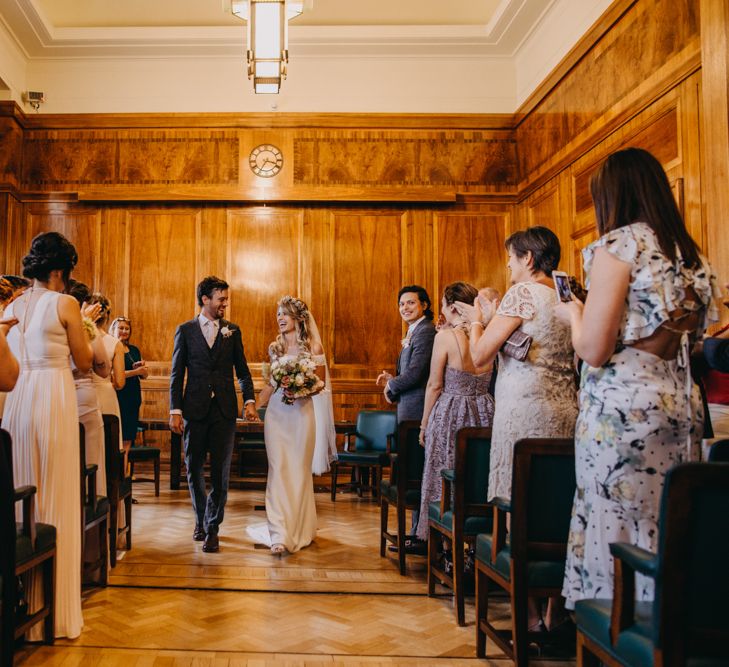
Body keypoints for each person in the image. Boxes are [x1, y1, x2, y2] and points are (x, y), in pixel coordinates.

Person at [554, 148, 718, 610]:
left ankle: (613, 627)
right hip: (678, 403)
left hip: (623, 410)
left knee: (615, 515)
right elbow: (697, 336)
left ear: (613, 195)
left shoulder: (620, 246)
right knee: (666, 520)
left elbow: (594, 348)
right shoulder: (689, 253)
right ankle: (664, 622)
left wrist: (575, 312)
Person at [457, 226, 578, 632]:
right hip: (565, 412)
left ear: (528, 258)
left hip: (524, 413)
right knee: (560, 506)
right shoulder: (567, 295)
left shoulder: (522, 293)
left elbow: (479, 356)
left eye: (511, 256)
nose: (507, 264)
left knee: (519, 506)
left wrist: (478, 322)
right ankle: (555, 611)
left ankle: (527, 616)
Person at [1, 231, 93, 639]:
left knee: (23, 488)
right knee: (54, 492)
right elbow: (86, 361)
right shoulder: (66, 303)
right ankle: (54, 614)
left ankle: (22, 603)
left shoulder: (13, 304)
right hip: (53, 398)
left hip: (17, 399)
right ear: (60, 271)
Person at [169, 276, 257, 553]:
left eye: (226, 299)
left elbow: (242, 370)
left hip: (224, 412)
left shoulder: (233, 331)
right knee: (193, 470)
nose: (225, 304)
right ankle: (200, 519)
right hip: (194, 411)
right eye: (221, 298)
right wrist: (175, 410)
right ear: (205, 299)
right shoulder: (185, 330)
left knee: (220, 472)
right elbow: (176, 373)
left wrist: (250, 400)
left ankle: (213, 528)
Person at [415, 282, 495, 543]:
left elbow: (435, 384)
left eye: (441, 304)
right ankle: (477, 543)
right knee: (479, 472)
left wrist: (424, 424)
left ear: (451, 307)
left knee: (445, 469)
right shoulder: (487, 333)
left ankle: (446, 545)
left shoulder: (446, 338)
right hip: (485, 409)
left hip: (450, 412)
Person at [248, 296, 326, 555]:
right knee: (278, 469)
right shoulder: (275, 348)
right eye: (278, 314)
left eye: (285, 314)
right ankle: (279, 533)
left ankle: (300, 528)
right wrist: (253, 406)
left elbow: (321, 384)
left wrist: (300, 389)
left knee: (298, 470)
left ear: (298, 318)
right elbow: (271, 384)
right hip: (277, 416)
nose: (280, 318)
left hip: (302, 415)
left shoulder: (313, 347)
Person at [375, 285, 436, 550]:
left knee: (418, 473)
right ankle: (414, 533)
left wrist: (392, 387)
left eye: (410, 303)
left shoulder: (426, 332)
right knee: (412, 472)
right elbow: (408, 372)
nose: (405, 308)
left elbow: (418, 373)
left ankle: (419, 536)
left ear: (424, 304)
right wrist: (393, 380)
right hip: (408, 408)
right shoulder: (414, 332)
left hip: (418, 411)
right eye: (401, 304)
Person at [67, 279, 111, 496]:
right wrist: (87, 325)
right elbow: (103, 369)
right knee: (90, 457)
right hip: (82, 399)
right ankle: (90, 505)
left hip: (51, 397)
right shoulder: (84, 327)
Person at [88, 293, 126, 451]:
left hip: (80, 392)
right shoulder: (115, 343)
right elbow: (120, 383)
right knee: (108, 443)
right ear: (107, 316)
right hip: (106, 396)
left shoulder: (77, 336)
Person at [110, 316, 149, 460]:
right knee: (116, 437)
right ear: (113, 329)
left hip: (132, 398)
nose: (124, 331)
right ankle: (116, 474)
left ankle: (125, 474)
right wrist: (135, 372)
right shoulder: (111, 347)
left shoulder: (133, 350)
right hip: (118, 396)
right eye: (121, 328)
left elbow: (143, 375)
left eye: (127, 328)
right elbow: (112, 374)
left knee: (128, 438)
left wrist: (141, 370)